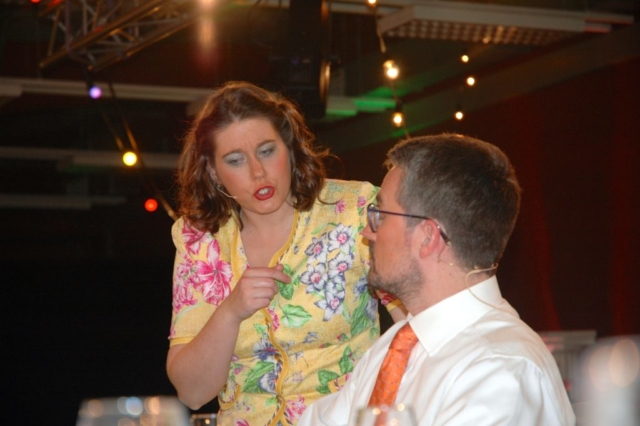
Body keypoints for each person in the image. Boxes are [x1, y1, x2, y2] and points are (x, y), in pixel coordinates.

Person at [165, 81, 405, 426]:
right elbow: (192, 393)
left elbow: (415, 326)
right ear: (214, 172)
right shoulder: (199, 239)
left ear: (290, 148)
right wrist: (230, 312)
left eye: (266, 151)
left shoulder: (352, 211)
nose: (257, 172)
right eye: (235, 160)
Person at [299, 134, 576, 425]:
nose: (367, 232)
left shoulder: (499, 372)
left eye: (381, 214)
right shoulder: (393, 346)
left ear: (427, 237)